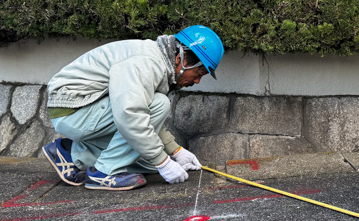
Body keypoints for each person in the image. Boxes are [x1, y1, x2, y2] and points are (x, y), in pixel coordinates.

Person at [41, 25, 224, 191]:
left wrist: (175, 151)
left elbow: (143, 116)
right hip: (73, 110)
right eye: (199, 73)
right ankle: (104, 172)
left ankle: (69, 153)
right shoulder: (146, 63)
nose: (197, 81)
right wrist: (163, 161)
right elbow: (131, 116)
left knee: (146, 162)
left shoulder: (158, 61)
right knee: (159, 107)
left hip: (85, 107)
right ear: (181, 59)